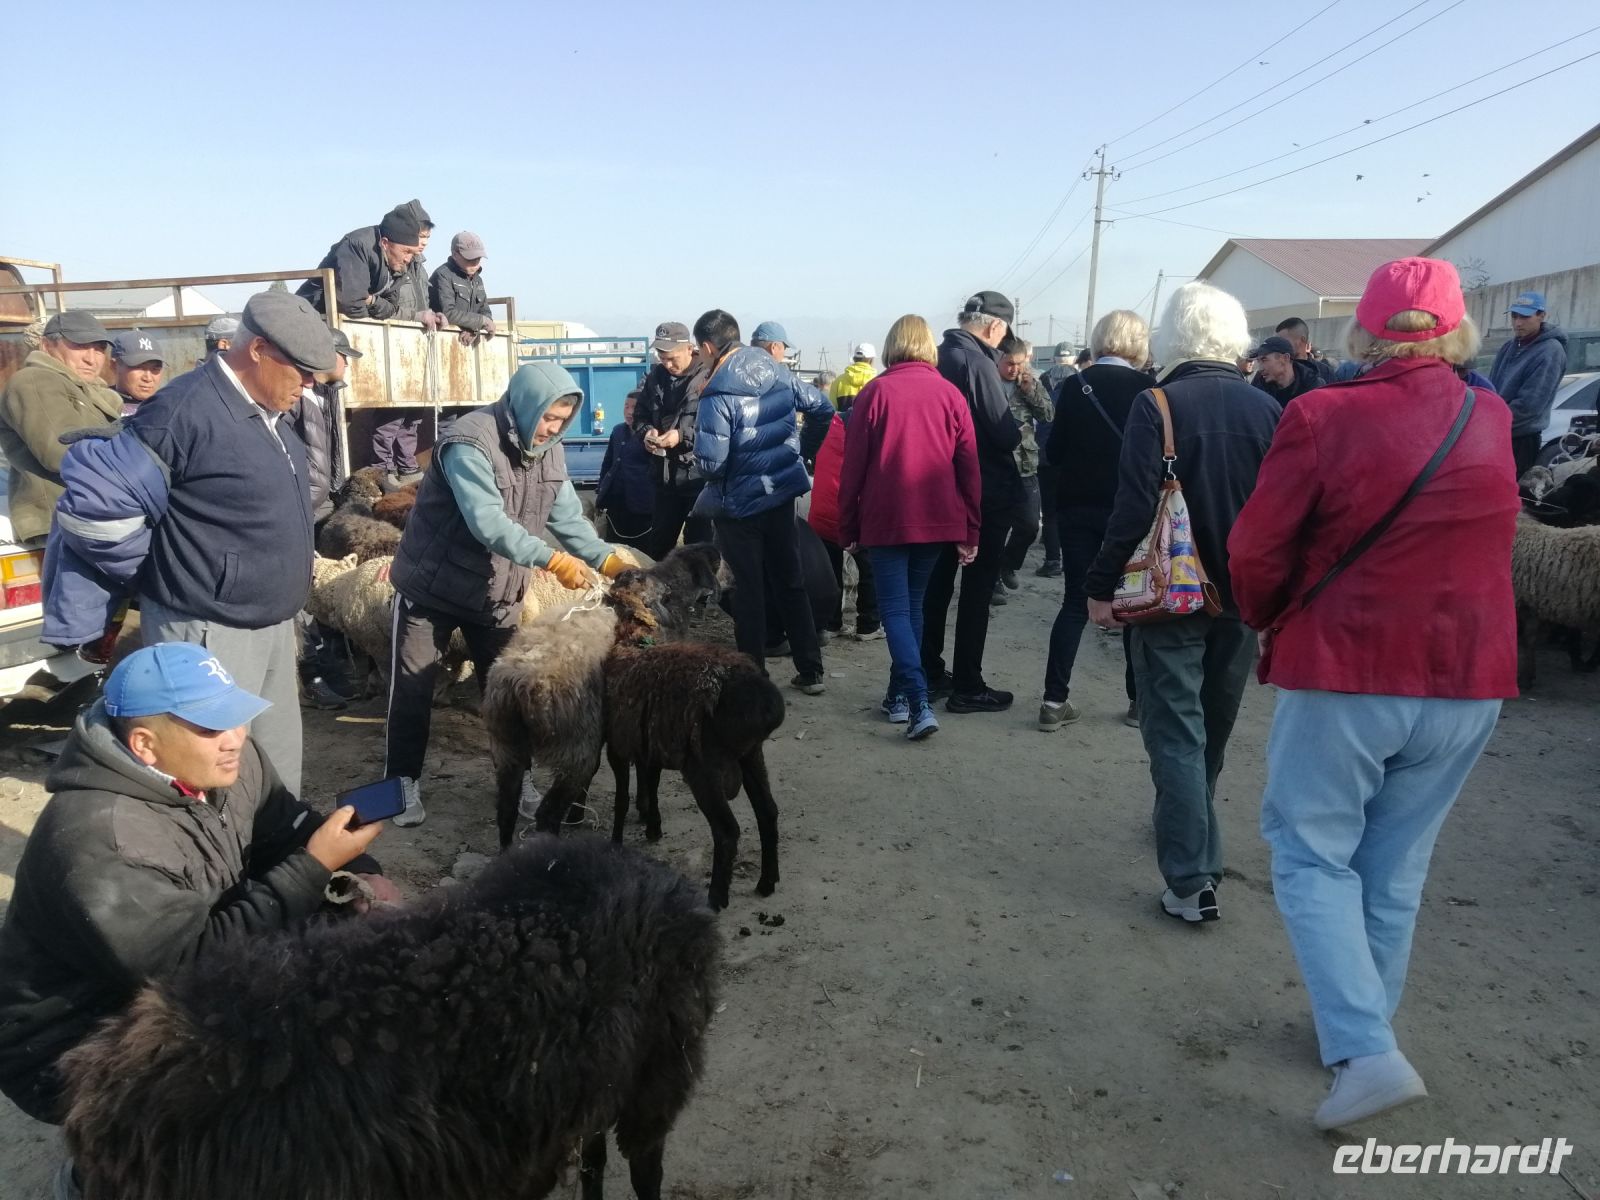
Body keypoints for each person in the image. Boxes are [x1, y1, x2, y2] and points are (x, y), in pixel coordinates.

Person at [1229, 257, 1518, 1128]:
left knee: (1310, 850)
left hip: (1351, 667)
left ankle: (1364, 1050)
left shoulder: (1321, 415)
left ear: (1364, 329)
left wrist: (1267, 618)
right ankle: (1360, 1024)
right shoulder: (1491, 413)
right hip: (1470, 677)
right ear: (1457, 328)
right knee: (1394, 866)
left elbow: (1255, 551)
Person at [0, 642, 397, 1130]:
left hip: (178, 963)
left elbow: (285, 831)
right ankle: (108, 1164)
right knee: (258, 1093)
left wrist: (358, 877)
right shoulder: (100, 838)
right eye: (211, 726)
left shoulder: (228, 758)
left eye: (238, 715)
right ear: (146, 744)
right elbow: (190, 968)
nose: (236, 737)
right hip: (68, 1038)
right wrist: (314, 867)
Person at [45, 291, 337, 796]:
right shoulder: (183, 412)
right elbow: (98, 517)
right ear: (260, 350)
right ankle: (208, 870)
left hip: (267, 625)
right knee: (207, 776)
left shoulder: (268, 410)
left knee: (273, 774)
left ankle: (268, 862)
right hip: (208, 632)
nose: (310, 383)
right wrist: (165, 572)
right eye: (303, 370)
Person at [1084, 282, 1281, 924]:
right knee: (1213, 726)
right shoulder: (1269, 410)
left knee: (1173, 729)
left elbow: (1134, 507)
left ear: (1173, 336)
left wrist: (1099, 583)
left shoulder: (1157, 403)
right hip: (1244, 597)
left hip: (1173, 596)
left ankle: (1193, 876)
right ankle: (1191, 823)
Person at [386, 362, 630, 825]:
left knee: (509, 696)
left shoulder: (550, 450)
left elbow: (567, 519)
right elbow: (488, 523)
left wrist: (606, 560)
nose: (553, 429)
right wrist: (554, 561)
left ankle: (521, 784)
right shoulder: (469, 442)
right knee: (413, 691)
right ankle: (401, 785)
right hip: (431, 588)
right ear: (525, 404)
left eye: (561, 422)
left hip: (495, 592)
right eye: (548, 418)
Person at [838, 315, 981, 740]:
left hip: (886, 521)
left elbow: (853, 469)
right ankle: (898, 695)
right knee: (913, 608)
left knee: (897, 612)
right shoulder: (950, 395)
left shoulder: (875, 392)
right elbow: (969, 468)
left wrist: (846, 526)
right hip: (938, 520)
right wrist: (970, 530)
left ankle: (917, 701)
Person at [691, 309, 833, 693]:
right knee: (791, 581)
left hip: (738, 506)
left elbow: (711, 463)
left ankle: (752, 676)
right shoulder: (778, 371)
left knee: (747, 591)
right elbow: (824, 409)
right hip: (781, 496)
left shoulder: (716, 394)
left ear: (707, 346)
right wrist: (798, 455)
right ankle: (811, 670)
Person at [1039, 311, 1155, 731]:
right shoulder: (1149, 389)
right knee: (1132, 602)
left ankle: (1054, 700)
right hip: (1128, 510)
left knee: (1075, 601)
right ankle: (1137, 701)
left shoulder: (1074, 385)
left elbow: (1053, 450)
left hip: (1076, 508)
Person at [921, 291, 1022, 713]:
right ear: (995, 327)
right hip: (983, 491)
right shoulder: (978, 363)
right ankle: (968, 683)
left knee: (936, 589)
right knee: (977, 590)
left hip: (937, 487)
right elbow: (1003, 434)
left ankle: (928, 673)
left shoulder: (936, 356)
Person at [297, 205, 432, 488]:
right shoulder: (356, 246)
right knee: (321, 412)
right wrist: (368, 303)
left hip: (348, 331)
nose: (409, 260)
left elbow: (392, 305)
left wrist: (372, 302)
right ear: (385, 243)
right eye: (406, 252)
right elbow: (352, 304)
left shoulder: (397, 261)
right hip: (315, 325)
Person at [0, 311, 120, 546]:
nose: (91, 358)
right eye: (79, 345)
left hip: (91, 515)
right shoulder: (35, 379)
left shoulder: (89, 390)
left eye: (98, 349)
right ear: (46, 345)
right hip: (61, 519)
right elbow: (62, 450)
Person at [292, 328, 363, 708]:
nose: (347, 363)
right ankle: (312, 676)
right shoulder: (300, 399)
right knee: (304, 595)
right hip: (301, 509)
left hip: (322, 504)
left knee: (323, 589)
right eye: (343, 355)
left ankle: (332, 666)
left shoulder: (328, 394)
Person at [806, 389, 881, 642]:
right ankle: (868, 625)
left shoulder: (828, 426)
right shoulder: (867, 432)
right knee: (870, 570)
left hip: (822, 513)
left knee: (831, 570)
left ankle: (831, 623)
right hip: (855, 515)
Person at [633, 321, 712, 558]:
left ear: (690, 349)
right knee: (659, 547)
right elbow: (639, 416)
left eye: (672, 358)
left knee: (699, 549)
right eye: (661, 357)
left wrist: (681, 435)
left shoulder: (709, 377)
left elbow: (719, 428)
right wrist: (646, 433)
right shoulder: (655, 377)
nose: (667, 364)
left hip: (699, 479)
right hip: (664, 479)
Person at [997, 339, 1054, 599]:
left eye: (1019, 363)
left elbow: (1048, 416)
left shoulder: (1028, 382)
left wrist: (1031, 391)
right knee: (995, 528)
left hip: (1025, 466)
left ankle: (1007, 564)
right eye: (1009, 363)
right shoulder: (987, 383)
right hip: (995, 465)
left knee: (1030, 525)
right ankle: (991, 583)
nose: (1014, 369)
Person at [1490, 290, 1569, 477]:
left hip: (1521, 439)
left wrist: (1492, 423)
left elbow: (1529, 406)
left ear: (1542, 316)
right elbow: (1491, 388)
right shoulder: (1510, 346)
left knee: (1511, 497)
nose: (1517, 323)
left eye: (1525, 317)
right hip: (1497, 433)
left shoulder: (1550, 351)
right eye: (1514, 316)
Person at [596, 390, 655, 551]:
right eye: (626, 406)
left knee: (641, 550)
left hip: (641, 504)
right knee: (614, 547)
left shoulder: (651, 434)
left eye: (634, 407)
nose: (629, 412)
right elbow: (608, 462)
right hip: (616, 502)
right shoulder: (617, 431)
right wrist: (602, 489)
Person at [430, 231, 496, 343]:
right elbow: (447, 313)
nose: (475, 264)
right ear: (455, 254)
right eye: (470, 259)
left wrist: (474, 328)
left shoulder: (477, 280)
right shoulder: (443, 275)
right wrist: (480, 321)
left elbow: (484, 310)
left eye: (478, 259)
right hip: (440, 340)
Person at [1249, 334, 1324, 408]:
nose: (1260, 368)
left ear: (1285, 358)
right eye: (1259, 361)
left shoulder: (1313, 386)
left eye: (1264, 360)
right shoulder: (1259, 384)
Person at [110, 330, 165, 415]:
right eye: (139, 367)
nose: (148, 378)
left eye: (155, 369)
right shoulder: (98, 405)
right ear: (114, 366)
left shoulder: (169, 407)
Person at [1274, 316, 1338, 384]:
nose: (1279, 346)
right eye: (1278, 342)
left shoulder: (1325, 372)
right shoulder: (1275, 372)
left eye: (1284, 341)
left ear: (1302, 340)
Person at [800, 370, 836, 471]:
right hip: (825, 435)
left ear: (819, 382)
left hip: (808, 434)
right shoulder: (833, 398)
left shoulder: (812, 395)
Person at [828, 342, 877, 409]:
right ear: (871, 359)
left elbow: (832, 410)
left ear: (855, 358)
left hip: (844, 419)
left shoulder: (838, 381)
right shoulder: (877, 381)